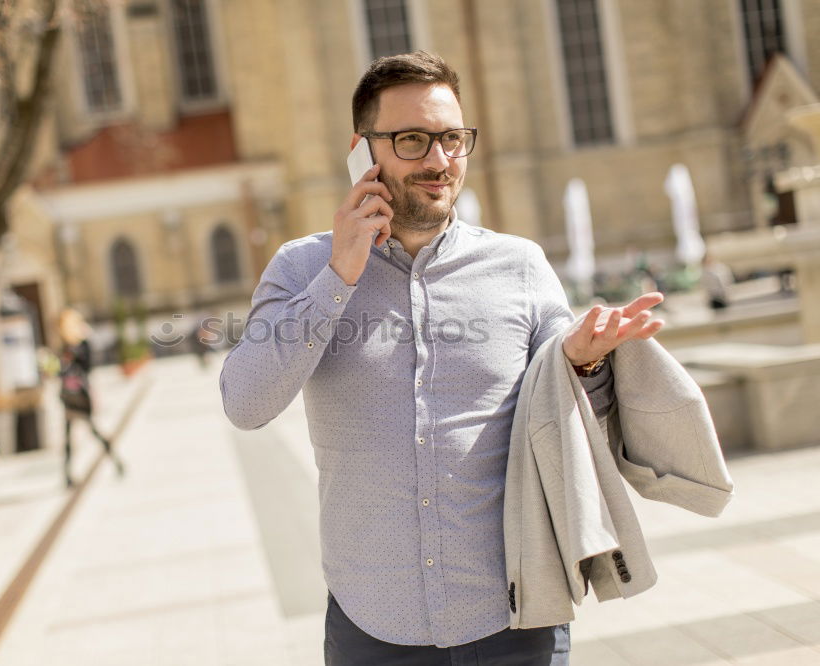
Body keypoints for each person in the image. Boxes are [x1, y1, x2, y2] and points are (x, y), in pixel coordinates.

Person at [219, 52, 665, 665]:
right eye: (412, 140)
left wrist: (585, 367)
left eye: (452, 139)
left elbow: (583, 424)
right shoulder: (301, 268)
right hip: (371, 627)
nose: (438, 161)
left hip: (518, 616)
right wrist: (339, 274)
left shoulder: (522, 267)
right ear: (362, 152)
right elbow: (244, 404)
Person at [57, 308, 125, 488]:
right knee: (69, 438)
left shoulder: (82, 343)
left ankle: (116, 460)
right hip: (69, 397)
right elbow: (61, 371)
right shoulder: (65, 344)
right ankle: (67, 475)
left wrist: (74, 354)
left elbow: (88, 366)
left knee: (93, 431)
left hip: (81, 395)